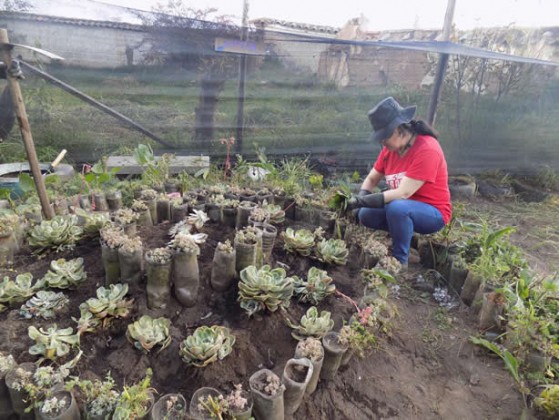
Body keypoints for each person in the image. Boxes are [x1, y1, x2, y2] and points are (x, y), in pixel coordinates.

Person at [347, 96, 452, 267]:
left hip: (433, 212)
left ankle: (399, 261)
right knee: (365, 214)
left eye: (384, 136)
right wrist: (362, 197)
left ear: (398, 130)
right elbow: (372, 178)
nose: (381, 141)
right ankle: (403, 232)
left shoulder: (427, 149)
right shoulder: (390, 150)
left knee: (397, 208)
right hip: (403, 208)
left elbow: (403, 193)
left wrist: (360, 200)